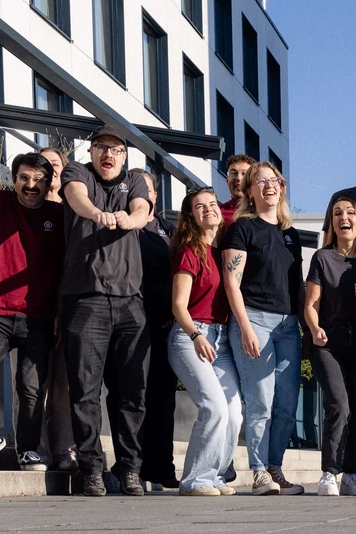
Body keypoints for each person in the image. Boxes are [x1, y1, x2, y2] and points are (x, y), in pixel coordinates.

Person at [59, 125, 154, 496]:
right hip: (86, 299)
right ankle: (91, 470)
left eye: (115, 149)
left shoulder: (134, 181)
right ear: (93, 151)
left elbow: (142, 208)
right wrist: (98, 214)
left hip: (132, 302)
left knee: (133, 391)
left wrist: (132, 219)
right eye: (101, 148)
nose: (108, 155)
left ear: (125, 155)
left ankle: (130, 469)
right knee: (86, 390)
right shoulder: (78, 172)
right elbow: (76, 197)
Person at [0, 152, 64, 472]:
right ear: (14, 179)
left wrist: (61, 311)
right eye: (24, 178)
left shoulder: (59, 215)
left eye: (38, 180)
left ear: (48, 183)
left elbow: (66, 267)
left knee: (31, 387)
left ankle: (28, 449)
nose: (31, 185)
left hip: (40, 317)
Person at [221, 161, 305, 495]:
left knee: (286, 403)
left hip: (288, 326)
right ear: (251, 190)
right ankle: (257, 472)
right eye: (261, 181)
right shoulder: (242, 229)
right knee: (260, 401)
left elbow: (297, 285)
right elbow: (231, 281)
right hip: (253, 319)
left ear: (281, 188)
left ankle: (275, 469)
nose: (269, 185)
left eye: (274, 180)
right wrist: (244, 327)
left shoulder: (290, 235)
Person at [166, 187, 239, 497]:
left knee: (234, 411)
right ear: (191, 217)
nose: (208, 209)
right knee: (213, 407)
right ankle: (195, 480)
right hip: (190, 335)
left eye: (212, 204)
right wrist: (195, 336)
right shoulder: (190, 251)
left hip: (220, 338)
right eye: (200, 207)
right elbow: (178, 305)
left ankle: (216, 475)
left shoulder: (223, 252)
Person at [305, 197, 356, 497]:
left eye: (349, 212)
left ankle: (351, 473)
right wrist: (314, 328)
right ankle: (329, 473)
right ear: (332, 223)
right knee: (339, 404)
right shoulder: (322, 258)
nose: (343, 218)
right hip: (327, 342)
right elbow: (310, 303)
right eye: (336, 213)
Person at [129, 168, 180, 489]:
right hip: (131, 325)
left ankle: (162, 468)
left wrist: (178, 312)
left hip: (166, 326)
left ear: (155, 195)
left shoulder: (169, 229)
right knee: (134, 396)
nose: (140, 194)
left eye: (145, 188)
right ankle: (134, 467)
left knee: (164, 399)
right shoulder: (125, 226)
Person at [37, 147, 77, 472]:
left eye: (55, 163)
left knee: (62, 383)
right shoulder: (29, 208)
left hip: (67, 306)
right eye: (44, 164)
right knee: (34, 382)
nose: (50, 169)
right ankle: (36, 450)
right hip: (32, 307)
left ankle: (63, 450)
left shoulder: (72, 209)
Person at [219, 154, 256, 225]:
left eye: (244, 174)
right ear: (227, 181)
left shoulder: (262, 211)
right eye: (234, 173)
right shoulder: (218, 213)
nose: (239, 178)